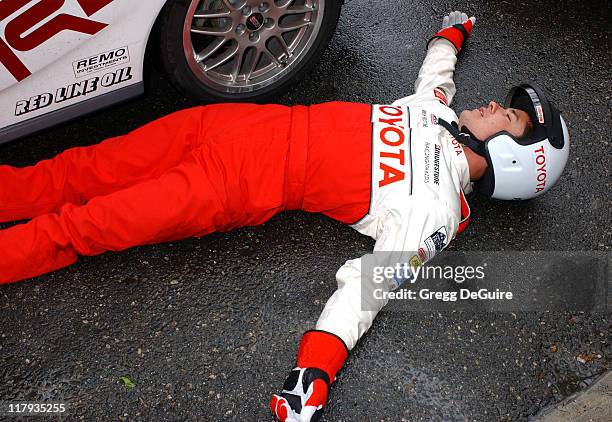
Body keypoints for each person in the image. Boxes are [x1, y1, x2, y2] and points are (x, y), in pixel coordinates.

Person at [0, 11, 568, 421]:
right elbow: (436, 74)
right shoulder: (435, 111)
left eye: (511, 119)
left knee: (81, 228)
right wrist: (453, 34)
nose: (496, 105)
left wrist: (313, 375)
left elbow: (365, 292)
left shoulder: (433, 214)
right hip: (225, 125)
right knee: (67, 172)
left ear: (511, 161)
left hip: (230, 187)